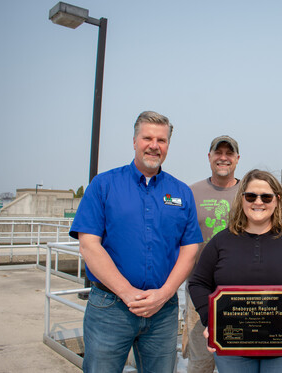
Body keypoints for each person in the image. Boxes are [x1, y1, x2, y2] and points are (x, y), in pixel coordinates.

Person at [69, 111, 203, 373]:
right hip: (110, 308)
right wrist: (127, 293)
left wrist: (163, 295)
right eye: (148, 138)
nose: (154, 145)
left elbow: (190, 248)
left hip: (163, 311)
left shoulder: (181, 192)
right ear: (134, 141)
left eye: (161, 140)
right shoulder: (104, 185)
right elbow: (89, 245)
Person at [188, 169, 282, 373]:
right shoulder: (221, 241)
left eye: (266, 196)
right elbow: (198, 283)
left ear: (277, 200)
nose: (258, 202)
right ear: (242, 199)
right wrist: (210, 320)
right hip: (233, 350)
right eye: (251, 196)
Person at [182, 135, 241, 373]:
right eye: (219, 153)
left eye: (229, 154)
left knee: (238, 361)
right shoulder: (190, 193)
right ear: (209, 157)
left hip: (239, 292)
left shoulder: (250, 193)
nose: (223, 158)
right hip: (201, 291)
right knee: (200, 362)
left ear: (237, 159)